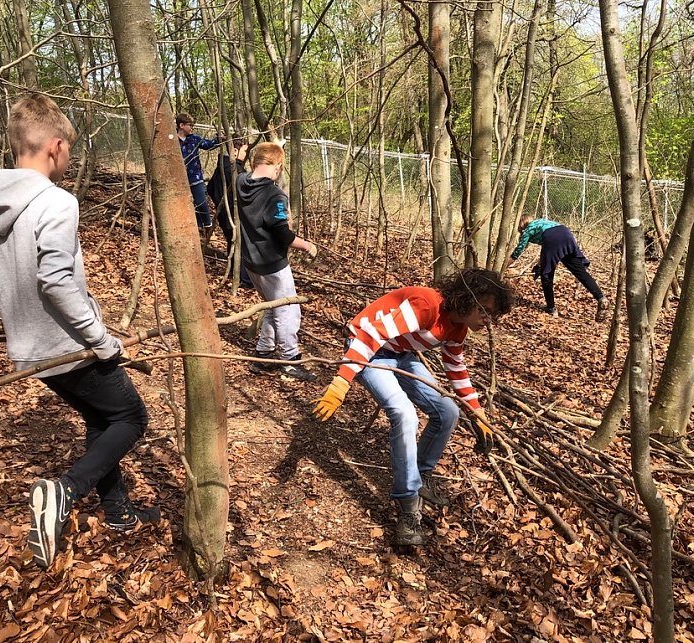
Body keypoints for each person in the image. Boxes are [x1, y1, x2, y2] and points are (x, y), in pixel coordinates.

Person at [0, 95, 158, 571]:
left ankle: (118, 513)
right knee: (132, 418)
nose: (68, 158)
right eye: (68, 150)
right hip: (69, 345)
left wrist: (18, 314)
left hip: (30, 350)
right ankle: (64, 491)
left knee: (101, 418)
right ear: (54, 147)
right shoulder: (56, 201)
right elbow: (56, 281)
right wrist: (101, 340)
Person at [312, 268, 513, 546]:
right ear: (468, 298)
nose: (487, 321)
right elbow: (371, 335)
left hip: (400, 353)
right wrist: (341, 382)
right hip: (367, 350)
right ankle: (407, 506)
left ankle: (420, 475)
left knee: (447, 411)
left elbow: (456, 369)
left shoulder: (458, 328)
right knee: (404, 414)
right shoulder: (426, 304)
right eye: (485, 310)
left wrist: (476, 412)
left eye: (493, 315)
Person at [236, 141, 318, 381]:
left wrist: (239, 159)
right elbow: (283, 235)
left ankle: (264, 354)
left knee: (272, 307)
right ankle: (290, 361)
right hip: (272, 264)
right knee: (288, 310)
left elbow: (236, 170)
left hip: (251, 263)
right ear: (278, 166)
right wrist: (308, 245)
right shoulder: (274, 195)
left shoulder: (242, 183)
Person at [509, 215, 609, 321]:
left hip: (553, 239)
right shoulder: (542, 222)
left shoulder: (529, 229)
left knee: (546, 275)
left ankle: (551, 308)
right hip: (566, 233)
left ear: (522, 224)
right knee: (580, 272)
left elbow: (517, 252)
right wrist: (539, 265)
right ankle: (601, 298)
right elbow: (547, 247)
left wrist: (504, 266)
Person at [207, 144, 253, 288]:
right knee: (241, 244)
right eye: (245, 151)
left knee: (233, 242)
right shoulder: (234, 170)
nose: (247, 154)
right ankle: (243, 279)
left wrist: (219, 202)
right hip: (234, 214)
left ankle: (236, 273)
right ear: (234, 150)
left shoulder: (221, 166)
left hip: (225, 214)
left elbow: (210, 188)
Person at [176, 112, 221, 230]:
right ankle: (197, 227)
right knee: (188, 205)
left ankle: (207, 225)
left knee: (201, 202)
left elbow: (208, 145)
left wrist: (219, 139)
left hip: (195, 177)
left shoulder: (194, 139)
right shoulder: (173, 141)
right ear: (181, 125)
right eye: (190, 125)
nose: (192, 128)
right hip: (180, 179)